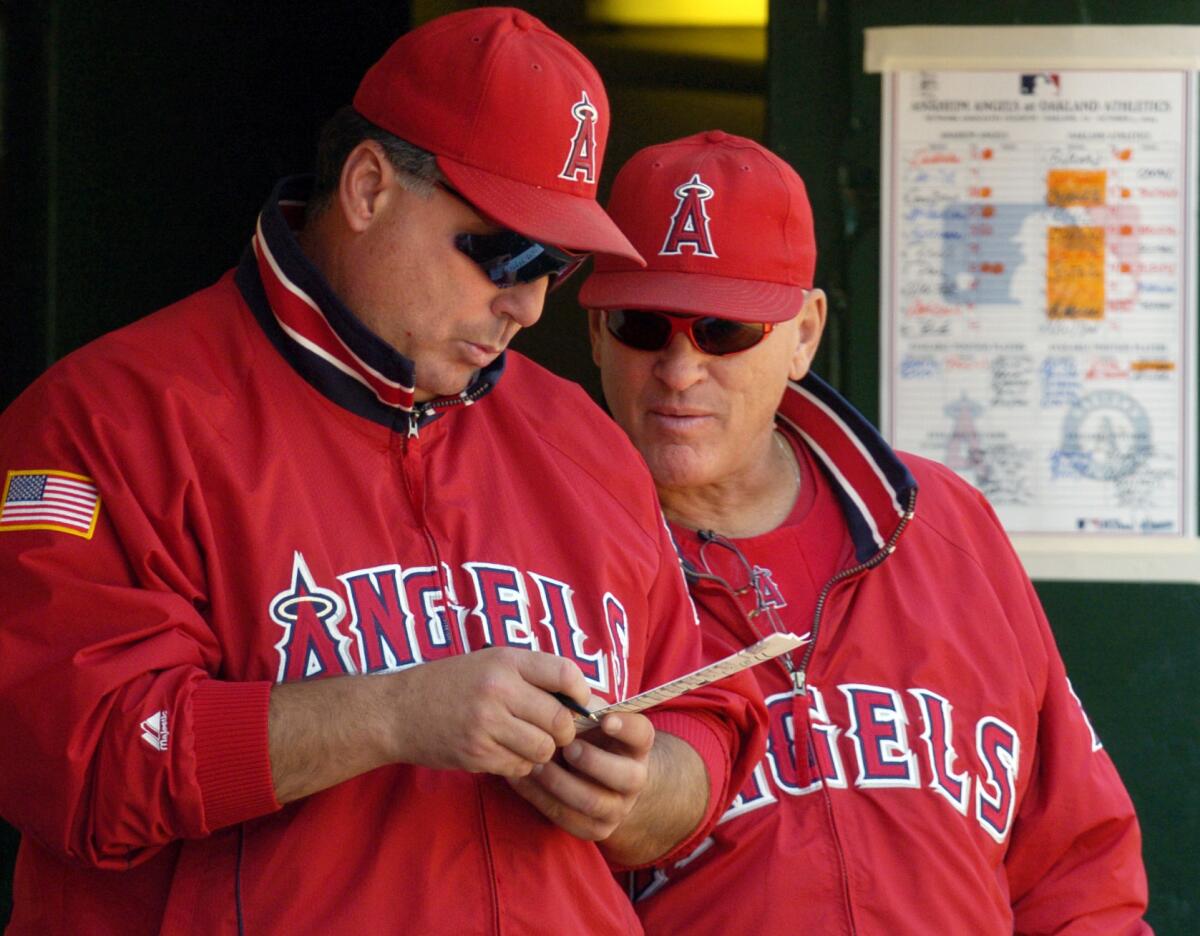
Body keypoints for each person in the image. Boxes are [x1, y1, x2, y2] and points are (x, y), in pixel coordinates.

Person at [0, 13, 767, 935]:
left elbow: (707, 722)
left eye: (555, 268)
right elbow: (67, 761)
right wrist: (391, 714)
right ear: (368, 187)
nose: (525, 305)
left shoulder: (580, 438)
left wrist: (640, 791)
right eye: (505, 252)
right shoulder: (110, 416)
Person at [580, 130, 1152, 934]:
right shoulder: (550, 563)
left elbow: (1075, 865)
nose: (679, 369)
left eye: (723, 330)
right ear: (598, 332)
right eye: (645, 328)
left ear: (803, 334)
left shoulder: (941, 522)